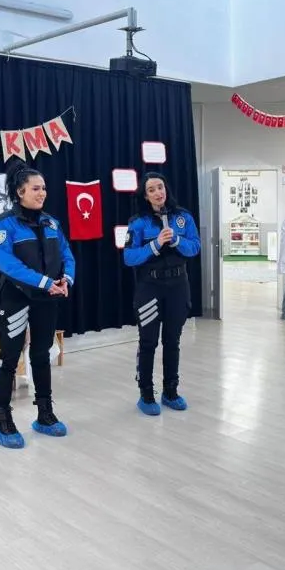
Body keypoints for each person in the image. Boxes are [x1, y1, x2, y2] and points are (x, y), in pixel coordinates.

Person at [0, 160, 74, 449]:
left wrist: (66, 279)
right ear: (20, 191)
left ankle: (45, 414)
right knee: (9, 357)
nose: (42, 193)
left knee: (41, 354)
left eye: (44, 188)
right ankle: (3, 418)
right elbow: (7, 263)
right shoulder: (3, 223)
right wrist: (44, 281)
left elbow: (67, 254)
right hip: (15, 298)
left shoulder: (52, 223)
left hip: (46, 298)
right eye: (36, 188)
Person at [123, 172, 201, 416]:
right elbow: (129, 257)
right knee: (148, 341)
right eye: (152, 190)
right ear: (145, 196)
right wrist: (155, 244)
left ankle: (171, 391)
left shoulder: (183, 217)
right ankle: (146, 394)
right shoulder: (138, 222)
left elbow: (195, 247)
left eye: (160, 187)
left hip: (178, 286)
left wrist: (176, 240)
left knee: (172, 340)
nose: (158, 192)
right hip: (150, 288)